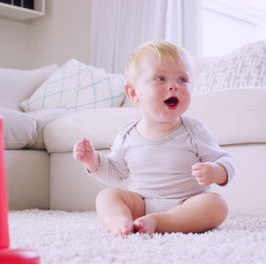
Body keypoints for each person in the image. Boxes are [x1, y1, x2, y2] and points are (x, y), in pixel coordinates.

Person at [73, 40, 235, 236]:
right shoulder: (127, 135)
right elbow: (116, 174)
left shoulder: (194, 130)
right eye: (160, 78)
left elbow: (225, 160)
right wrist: (93, 160)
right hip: (142, 204)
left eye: (183, 79)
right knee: (106, 197)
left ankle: (159, 222)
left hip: (187, 205)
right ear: (133, 93)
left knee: (216, 204)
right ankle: (121, 224)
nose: (174, 86)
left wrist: (216, 171)